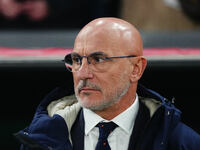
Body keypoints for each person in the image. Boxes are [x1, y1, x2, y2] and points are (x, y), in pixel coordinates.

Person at [15, 17, 200, 150]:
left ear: (136, 69)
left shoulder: (182, 142)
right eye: (77, 60)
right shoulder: (39, 140)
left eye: (99, 59)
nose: (83, 73)